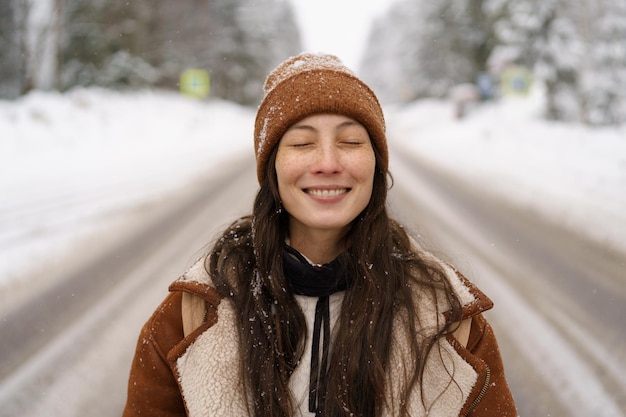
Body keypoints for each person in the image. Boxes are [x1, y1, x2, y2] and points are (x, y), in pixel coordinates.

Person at [122, 53, 517, 417]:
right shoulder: (193, 316)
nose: (327, 163)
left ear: (375, 165)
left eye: (350, 141)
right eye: (301, 143)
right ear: (272, 168)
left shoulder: (447, 318)